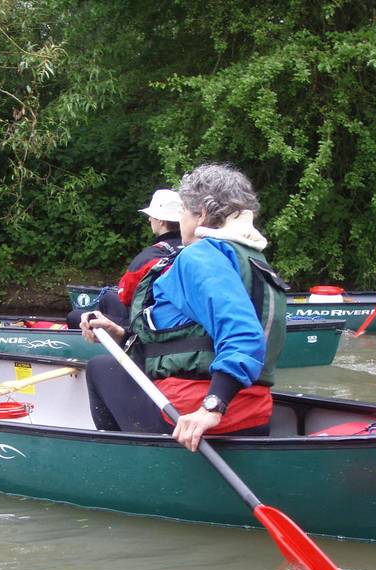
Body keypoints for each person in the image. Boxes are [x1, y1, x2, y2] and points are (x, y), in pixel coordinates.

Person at [80, 163, 288, 452]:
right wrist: (120, 334)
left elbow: (243, 334)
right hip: (254, 413)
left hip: (195, 415)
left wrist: (211, 408)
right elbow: (190, 339)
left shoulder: (200, 256)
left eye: (182, 212)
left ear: (200, 214)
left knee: (100, 368)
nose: (180, 220)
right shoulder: (251, 258)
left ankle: (126, 466)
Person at [67, 189, 183, 328]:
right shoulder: (192, 249)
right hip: (174, 317)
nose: (149, 219)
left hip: (148, 325)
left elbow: (125, 296)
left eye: (151, 216)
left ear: (160, 220)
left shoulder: (150, 256)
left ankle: (103, 339)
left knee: (74, 316)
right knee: (108, 298)